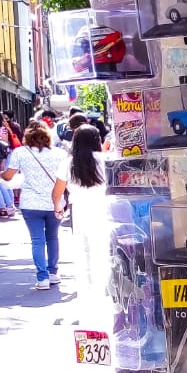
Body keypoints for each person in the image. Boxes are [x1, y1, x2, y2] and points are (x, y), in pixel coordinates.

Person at [0, 121, 66, 289]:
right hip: (54, 202)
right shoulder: (60, 154)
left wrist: (1, 173)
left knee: (37, 240)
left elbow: (8, 176)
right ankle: (53, 272)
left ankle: (42, 277)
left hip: (30, 203)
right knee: (53, 237)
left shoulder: (20, 153)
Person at [64, 123, 109, 305]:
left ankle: (88, 287)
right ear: (97, 140)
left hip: (80, 210)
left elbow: (58, 189)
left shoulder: (70, 162)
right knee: (103, 247)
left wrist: (58, 206)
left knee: (84, 250)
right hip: (103, 207)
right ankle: (104, 283)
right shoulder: (105, 159)